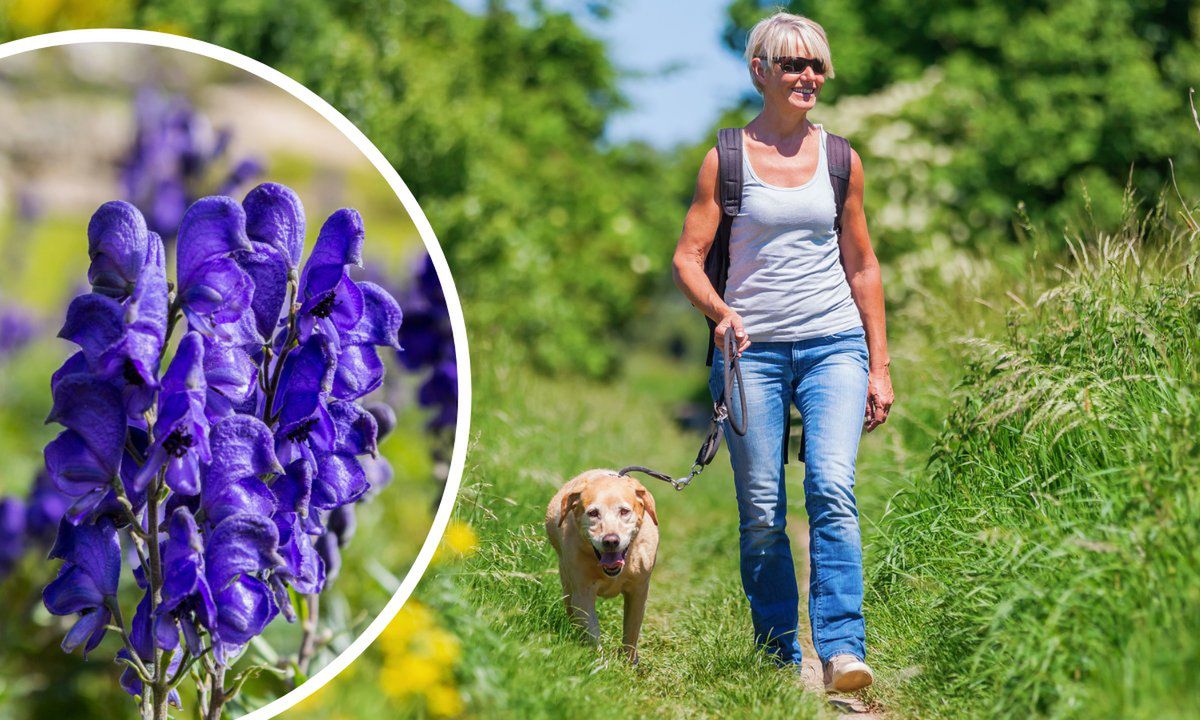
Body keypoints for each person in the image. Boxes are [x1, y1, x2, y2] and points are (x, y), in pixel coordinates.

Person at [671, 12, 894, 693]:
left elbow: (863, 266)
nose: (808, 77)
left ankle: (843, 650)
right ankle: (778, 659)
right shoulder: (726, 159)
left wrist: (879, 367)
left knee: (831, 487)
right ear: (759, 71)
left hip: (834, 344)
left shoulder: (840, 160)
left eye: (816, 66)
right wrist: (719, 312)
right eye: (794, 65)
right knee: (764, 511)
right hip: (751, 353)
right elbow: (687, 258)